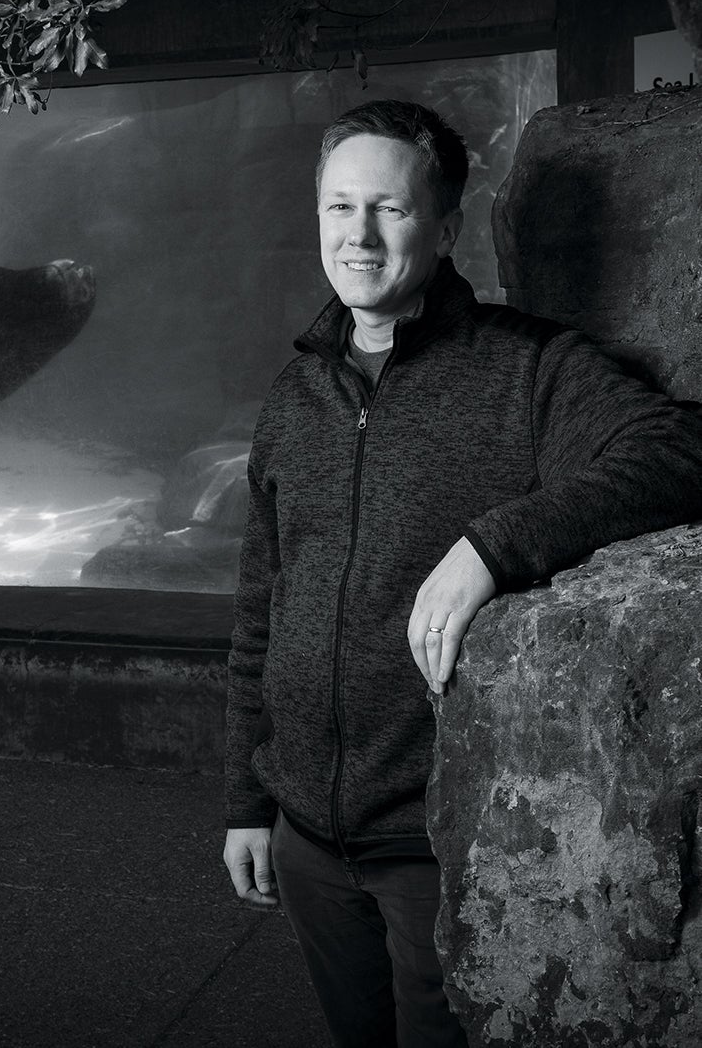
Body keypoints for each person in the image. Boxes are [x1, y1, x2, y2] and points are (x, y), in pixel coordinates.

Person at [221, 98, 702, 1047]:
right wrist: (247, 800)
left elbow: (681, 449)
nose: (359, 236)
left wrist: (493, 546)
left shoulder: (525, 370)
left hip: (439, 839)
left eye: (391, 211)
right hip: (307, 836)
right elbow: (258, 614)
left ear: (443, 231)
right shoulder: (294, 395)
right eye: (338, 208)